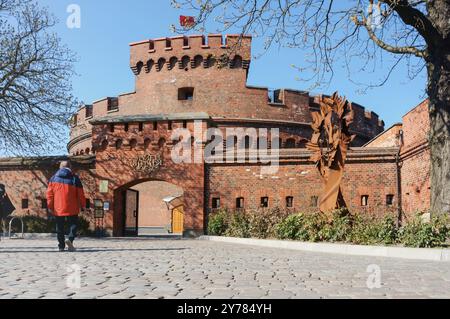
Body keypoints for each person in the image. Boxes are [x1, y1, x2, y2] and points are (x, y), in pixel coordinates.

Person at [47, 161, 86, 252]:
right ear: (70, 167)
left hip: (58, 207)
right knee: (73, 225)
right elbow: (81, 194)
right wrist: (83, 205)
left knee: (59, 227)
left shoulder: (53, 179)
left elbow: (49, 194)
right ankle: (70, 239)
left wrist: (50, 206)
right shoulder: (75, 178)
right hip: (72, 207)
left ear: (60, 167)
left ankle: (61, 246)